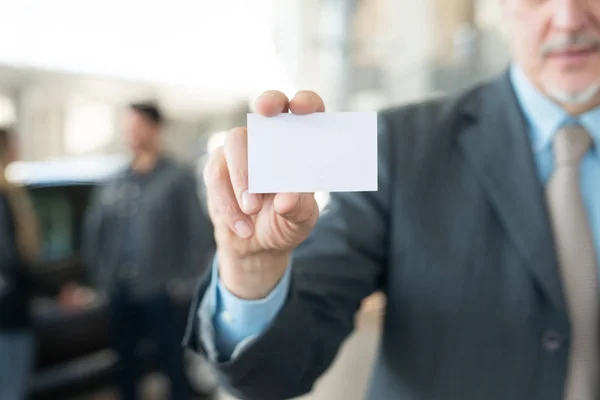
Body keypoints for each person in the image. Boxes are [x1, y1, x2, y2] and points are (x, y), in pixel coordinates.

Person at [183, 1, 600, 399]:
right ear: (504, 9)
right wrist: (253, 271)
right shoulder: (398, 145)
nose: (568, 17)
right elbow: (273, 372)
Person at [82, 102, 214, 400]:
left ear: (155, 129)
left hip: (162, 293)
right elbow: (95, 233)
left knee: (172, 365)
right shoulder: (115, 180)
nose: (131, 133)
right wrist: (102, 279)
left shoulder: (176, 178)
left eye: (137, 126)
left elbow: (198, 234)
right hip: (120, 291)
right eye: (127, 127)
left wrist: (181, 283)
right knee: (125, 367)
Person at [0, 128, 40, 400]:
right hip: (9, 311)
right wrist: (53, 289)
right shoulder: (6, 199)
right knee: (12, 388)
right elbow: (12, 260)